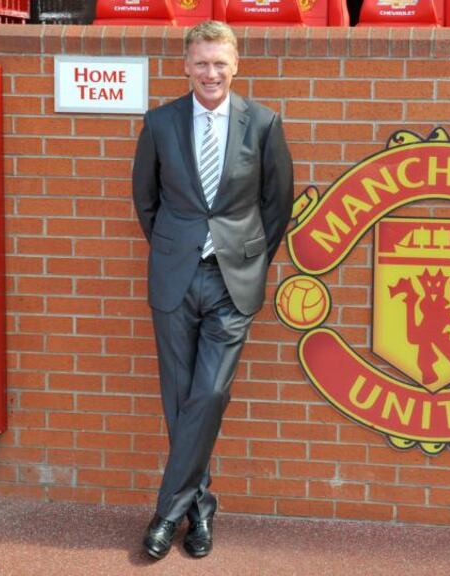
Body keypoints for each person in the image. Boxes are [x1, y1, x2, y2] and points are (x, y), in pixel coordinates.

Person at [131, 20, 294, 561]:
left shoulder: (264, 124)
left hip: (233, 279)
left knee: (210, 393)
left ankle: (165, 514)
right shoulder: (159, 123)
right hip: (176, 275)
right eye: (201, 62)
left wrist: (246, 257)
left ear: (236, 64)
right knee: (179, 400)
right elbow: (146, 201)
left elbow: (277, 206)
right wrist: (178, 247)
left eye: (220, 62)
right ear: (185, 65)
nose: (211, 72)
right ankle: (199, 511)